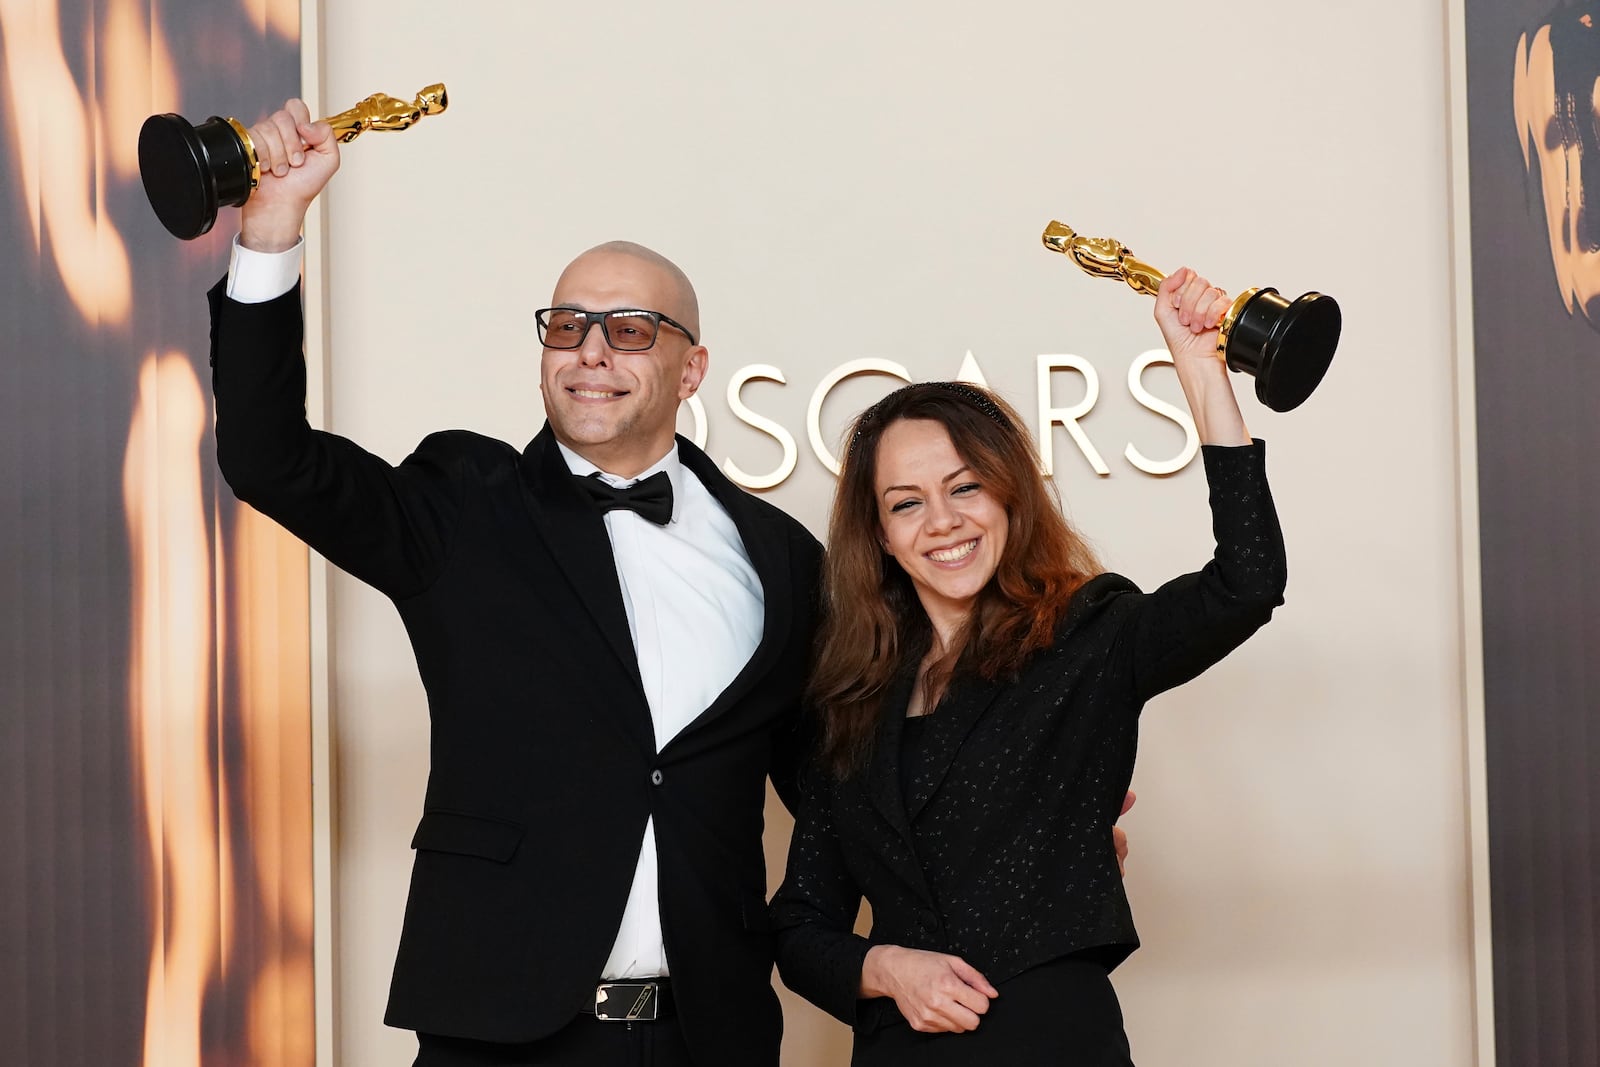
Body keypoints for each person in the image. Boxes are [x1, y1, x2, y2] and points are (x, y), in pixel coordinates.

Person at [209, 99, 825, 1067]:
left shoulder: (781, 556)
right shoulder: (464, 505)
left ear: (690, 366)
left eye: (629, 329)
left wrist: (1034, 824)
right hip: (498, 1028)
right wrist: (271, 228)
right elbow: (269, 460)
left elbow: (834, 783)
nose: (589, 351)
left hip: (708, 1034)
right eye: (567, 324)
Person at [769, 269, 1287, 1064]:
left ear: (1011, 495)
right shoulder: (850, 696)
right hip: (898, 1050)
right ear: (878, 534)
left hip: (1053, 1039)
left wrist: (1201, 370)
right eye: (907, 502)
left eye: (965, 487)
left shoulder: (1088, 635)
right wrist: (883, 966)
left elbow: (1246, 582)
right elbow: (801, 923)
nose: (942, 521)